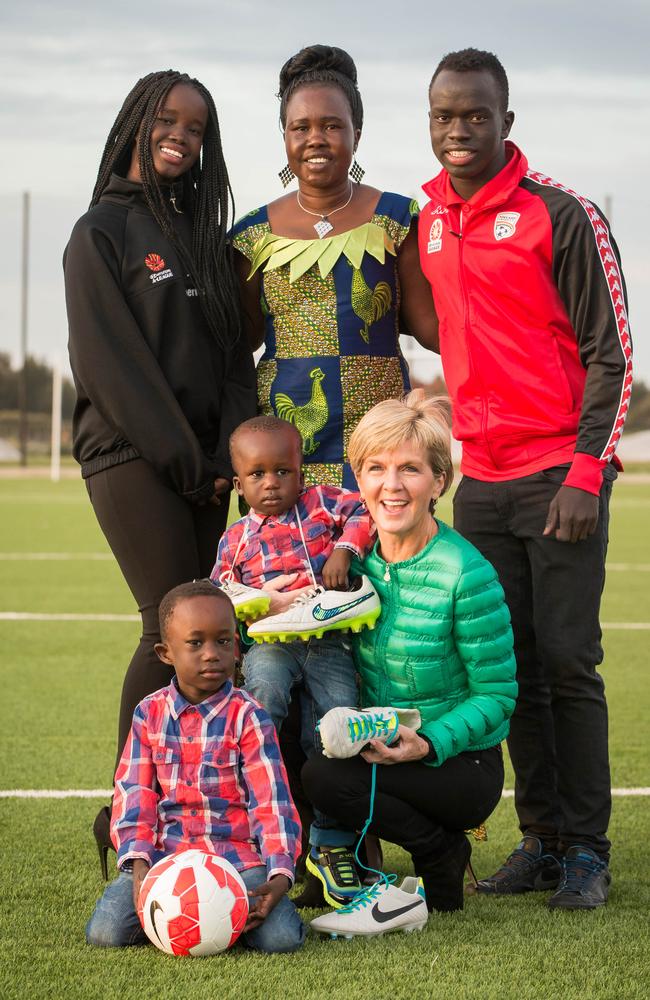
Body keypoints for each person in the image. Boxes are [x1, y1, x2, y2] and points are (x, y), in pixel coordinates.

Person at [418, 48, 632, 909]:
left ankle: (586, 848)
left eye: (475, 115)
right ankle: (541, 839)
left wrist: (587, 473)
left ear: (508, 123)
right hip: (484, 484)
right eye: (443, 116)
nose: (458, 130)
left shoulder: (561, 214)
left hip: (559, 475)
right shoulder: (429, 220)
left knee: (571, 662)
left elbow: (610, 355)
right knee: (511, 670)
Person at [63, 71, 256, 868]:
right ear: (137, 123)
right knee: (166, 628)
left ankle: (195, 804)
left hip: (207, 470)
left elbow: (236, 361)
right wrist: (185, 459)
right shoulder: (99, 231)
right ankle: (128, 816)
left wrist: (226, 458)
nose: (182, 135)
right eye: (167, 119)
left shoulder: (206, 239)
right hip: (133, 457)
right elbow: (113, 368)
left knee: (214, 627)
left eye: (197, 127)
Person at [302, 392, 518, 936]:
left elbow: (498, 694)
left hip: (459, 762)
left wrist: (427, 743)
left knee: (328, 780)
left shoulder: (466, 573)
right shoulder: (350, 560)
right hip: (379, 738)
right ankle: (318, 867)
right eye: (376, 468)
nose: (391, 486)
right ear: (360, 478)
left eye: (410, 469)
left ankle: (438, 848)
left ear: (438, 482)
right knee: (304, 746)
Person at [233, 44, 438, 490]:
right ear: (284, 135)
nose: (315, 139)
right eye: (300, 127)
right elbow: (240, 342)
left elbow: (430, 327)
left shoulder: (399, 217)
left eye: (332, 126)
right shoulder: (251, 233)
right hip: (284, 454)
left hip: (381, 445)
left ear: (357, 133)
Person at [85, 580, 305, 953]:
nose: (211, 654)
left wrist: (280, 876)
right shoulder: (149, 714)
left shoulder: (249, 717)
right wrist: (138, 862)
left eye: (223, 641)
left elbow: (272, 803)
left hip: (237, 858)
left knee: (281, 939)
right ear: (165, 652)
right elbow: (134, 794)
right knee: (104, 934)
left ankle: (222, 916)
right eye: (195, 642)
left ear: (236, 647)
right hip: (165, 856)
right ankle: (208, 919)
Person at [211, 414, 376, 906]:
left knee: (334, 729)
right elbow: (223, 592)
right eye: (257, 474)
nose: (271, 483)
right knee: (262, 708)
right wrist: (264, 598)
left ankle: (332, 844)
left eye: (282, 471)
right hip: (272, 644)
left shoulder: (323, 503)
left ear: (301, 472)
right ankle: (251, 803)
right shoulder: (236, 538)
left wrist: (345, 549)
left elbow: (364, 511)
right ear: (239, 484)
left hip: (328, 642)